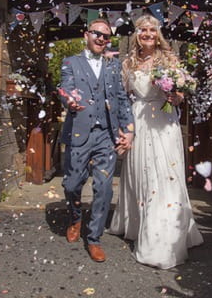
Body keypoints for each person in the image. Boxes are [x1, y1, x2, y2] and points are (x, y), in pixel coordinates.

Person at [108, 14, 203, 269]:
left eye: (152, 29)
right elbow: (123, 96)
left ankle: (164, 238)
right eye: (142, 30)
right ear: (136, 34)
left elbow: (183, 91)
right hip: (138, 120)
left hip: (163, 121)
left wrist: (178, 97)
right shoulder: (128, 63)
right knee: (141, 174)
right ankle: (137, 224)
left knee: (164, 175)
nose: (147, 34)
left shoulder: (169, 59)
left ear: (157, 33)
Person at [59, 18, 135, 263]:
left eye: (106, 36)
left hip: (106, 134)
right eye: (97, 34)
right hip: (79, 132)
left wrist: (129, 129)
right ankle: (75, 217)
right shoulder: (71, 62)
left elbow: (123, 100)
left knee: (103, 188)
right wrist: (70, 99)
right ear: (86, 35)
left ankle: (94, 238)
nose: (101, 39)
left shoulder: (114, 66)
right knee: (71, 185)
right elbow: (65, 87)